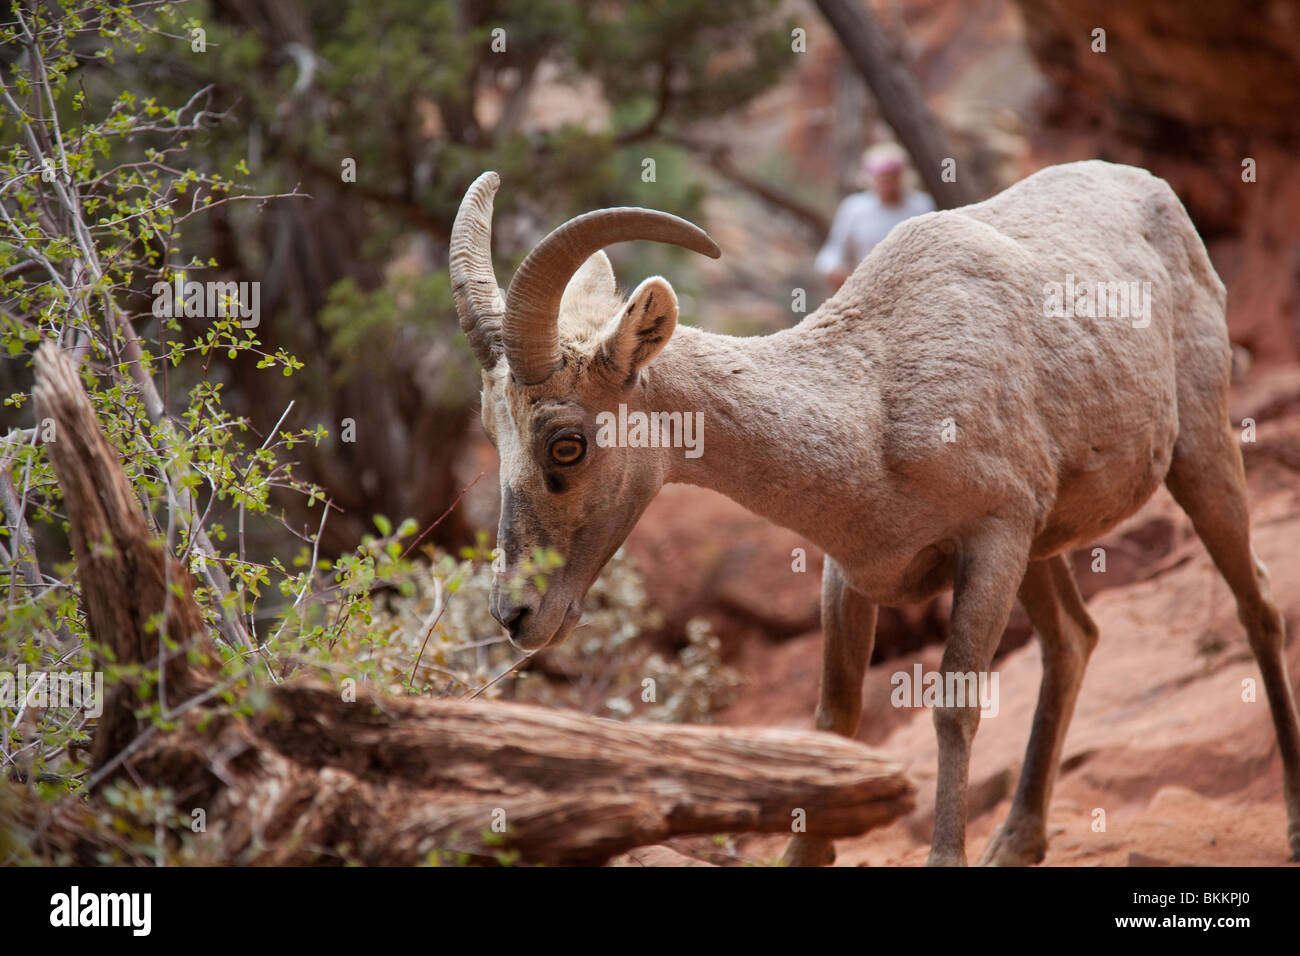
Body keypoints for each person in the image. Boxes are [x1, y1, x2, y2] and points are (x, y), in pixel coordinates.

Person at [815, 142, 935, 291]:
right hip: (866, 287)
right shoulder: (854, 208)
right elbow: (833, 251)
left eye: (892, 176)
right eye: (882, 177)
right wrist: (834, 270)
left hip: (912, 286)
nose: (887, 182)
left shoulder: (921, 205)